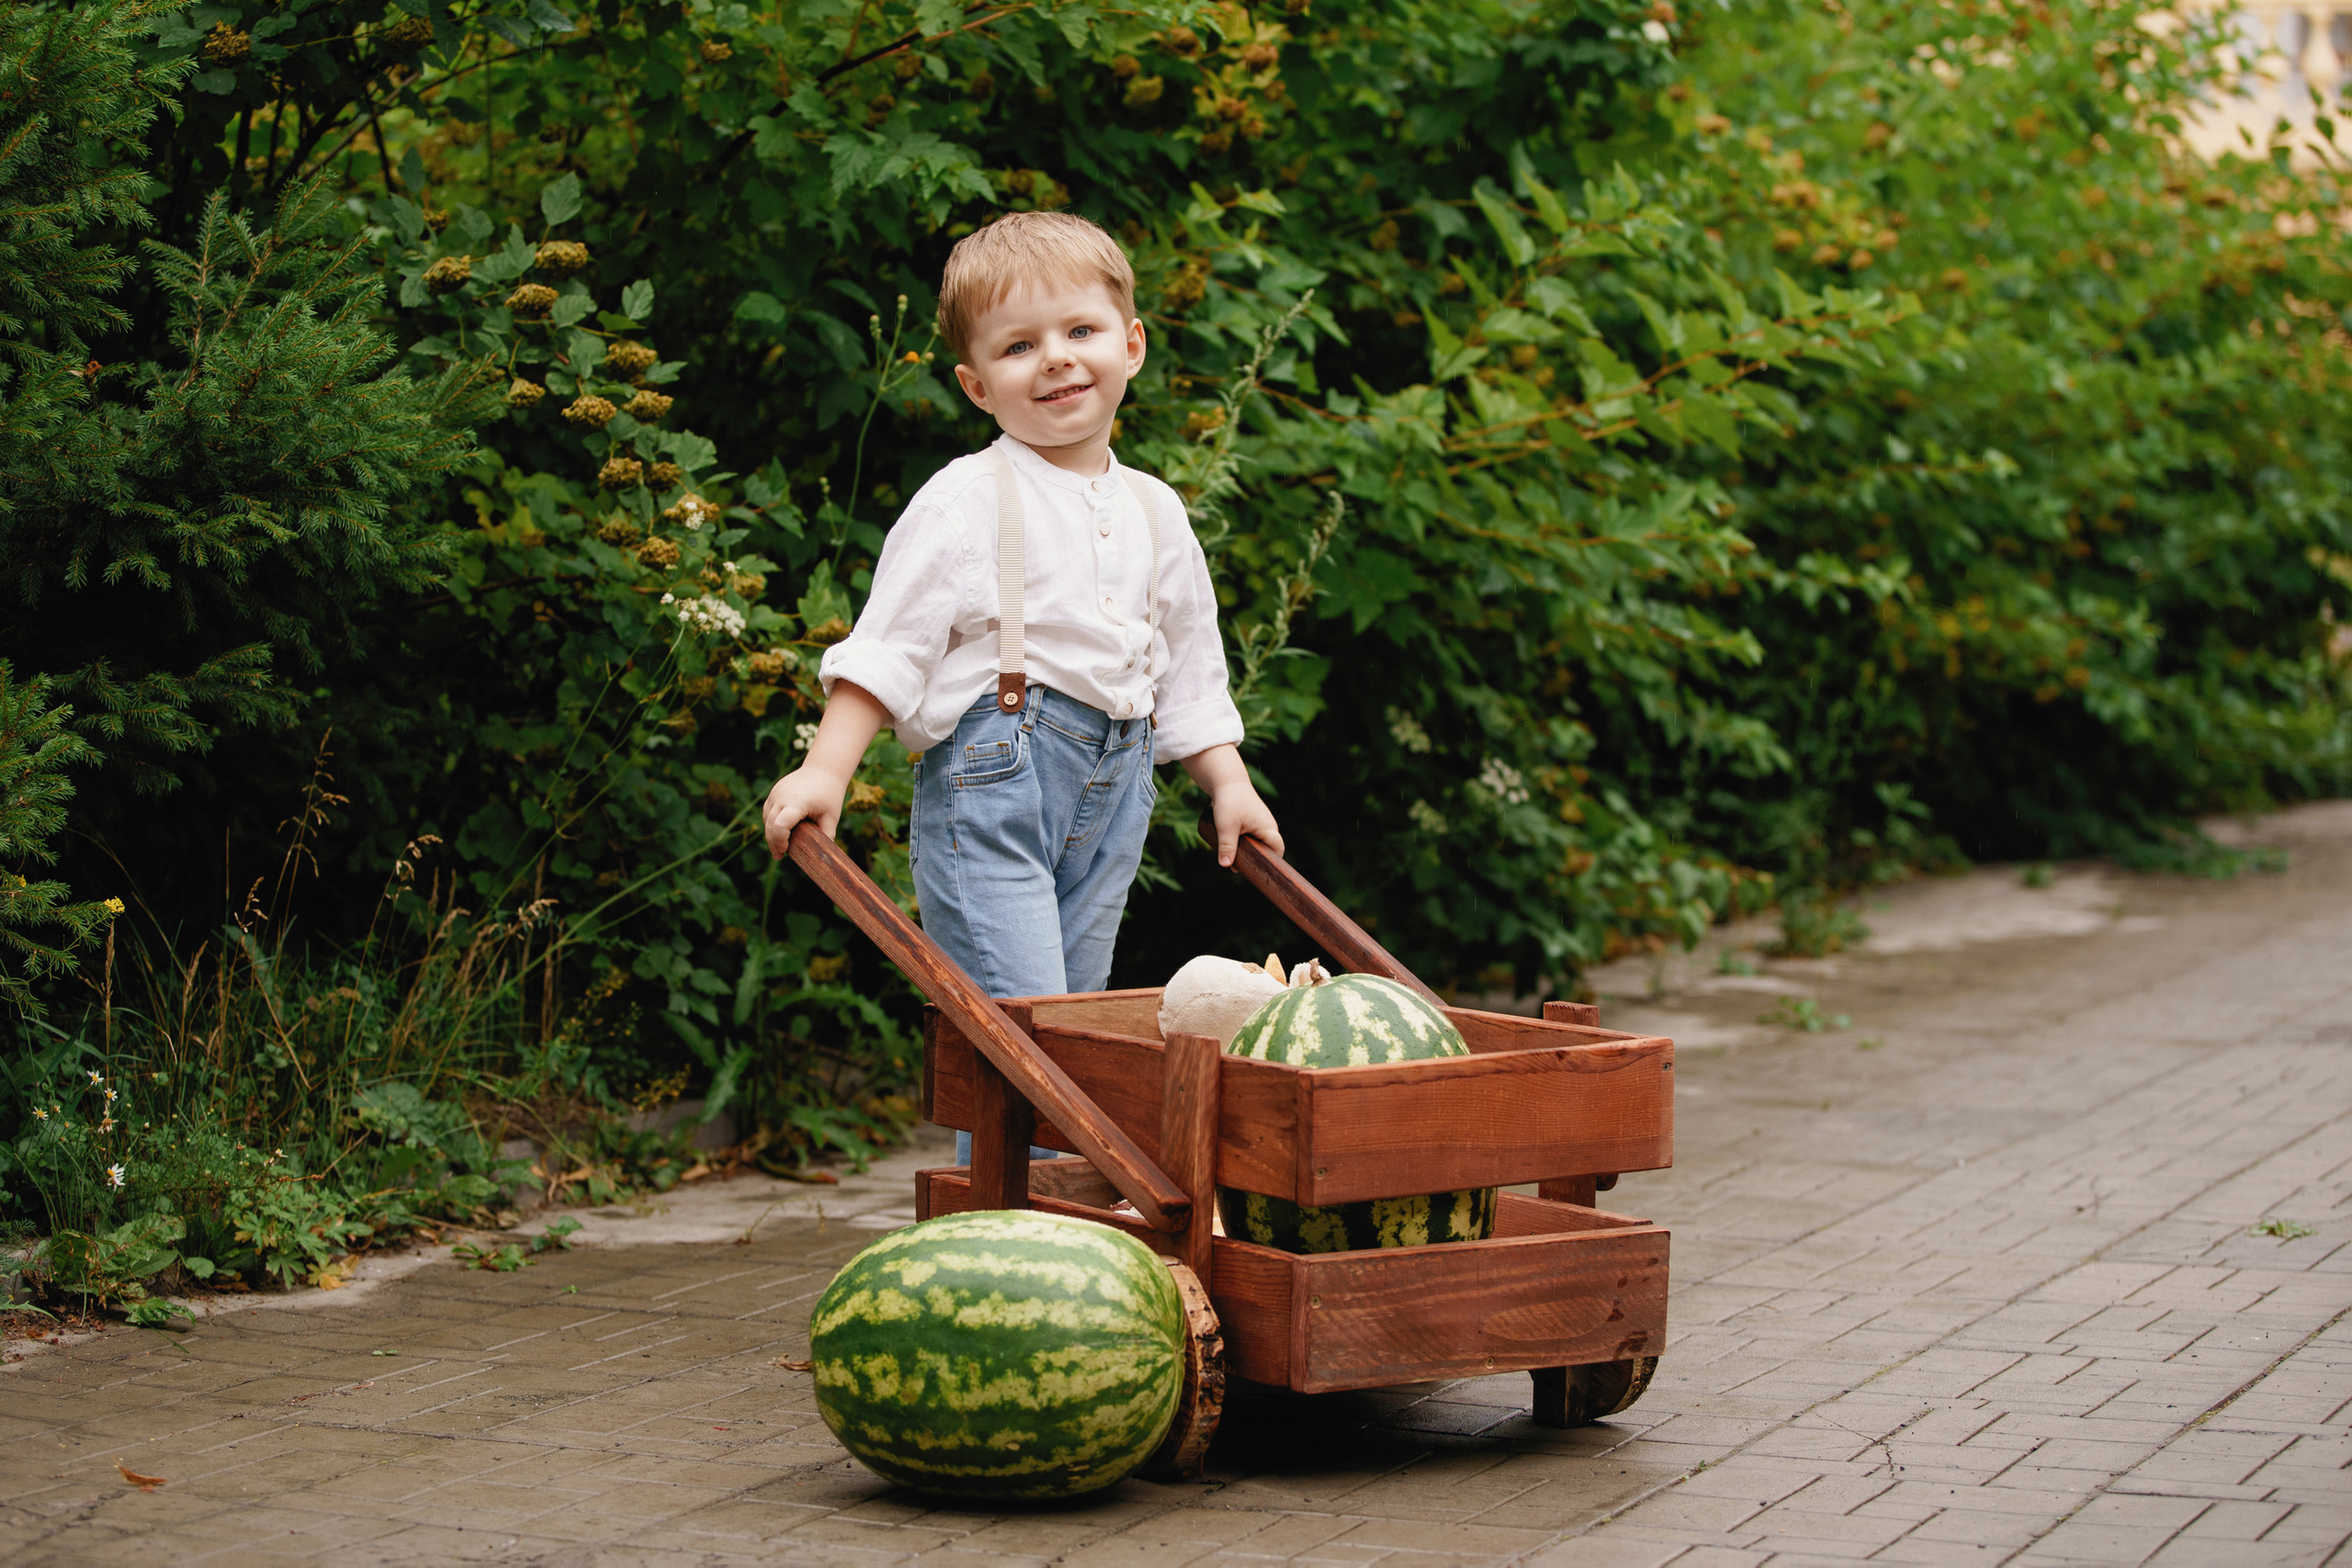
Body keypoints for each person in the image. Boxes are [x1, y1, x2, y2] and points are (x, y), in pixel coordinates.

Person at [761, 211, 1283, 1156]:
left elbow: (1189, 664)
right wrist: (825, 771)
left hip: (1116, 791)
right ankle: (1023, 1228)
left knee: (1068, 1031)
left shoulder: (1156, 510)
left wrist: (1227, 781)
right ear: (976, 384)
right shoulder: (967, 499)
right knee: (1027, 1038)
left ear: (1131, 345)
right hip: (996, 786)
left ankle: (1024, 1221)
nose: (1056, 360)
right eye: (1018, 346)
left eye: (1080, 331)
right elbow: (890, 646)